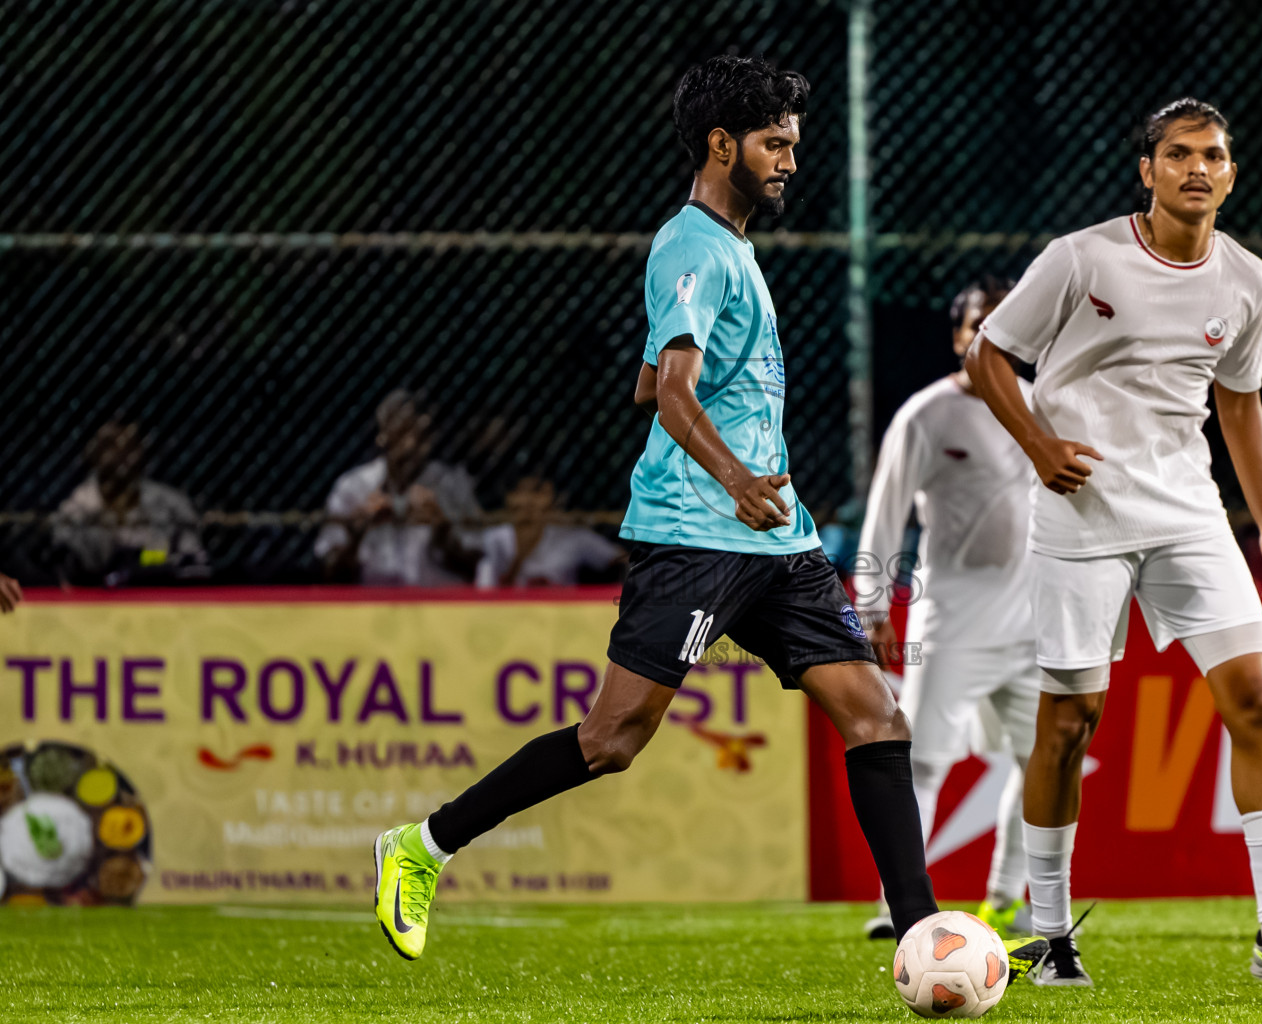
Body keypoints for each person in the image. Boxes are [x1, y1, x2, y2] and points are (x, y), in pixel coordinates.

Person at [370, 57, 1048, 980]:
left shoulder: (730, 250)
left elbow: (655, 379)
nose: (789, 163)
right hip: (696, 532)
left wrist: (721, 447)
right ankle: (423, 845)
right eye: (775, 144)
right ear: (722, 144)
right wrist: (730, 472)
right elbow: (675, 393)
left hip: (777, 537)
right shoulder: (689, 244)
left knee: (877, 714)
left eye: (794, 145)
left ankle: (925, 935)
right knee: (613, 738)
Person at [966, 98, 1262, 985]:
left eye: (1212, 156)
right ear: (1148, 170)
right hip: (1081, 513)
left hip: (1188, 512)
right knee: (1069, 723)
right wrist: (1040, 446)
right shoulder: (1081, 257)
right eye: (1177, 155)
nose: (1196, 169)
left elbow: (1240, 401)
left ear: (1231, 173)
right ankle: (1052, 933)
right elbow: (991, 355)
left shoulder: (1246, 278)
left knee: (1254, 698)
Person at [855, 277, 1045, 944]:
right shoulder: (927, 415)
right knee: (925, 759)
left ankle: (1007, 900)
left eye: (1001, 325)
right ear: (958, 335)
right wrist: (872, 605)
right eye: (976, 324)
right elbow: (885, 514)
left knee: (1043, 761)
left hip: (1034, 620)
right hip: (952, 617)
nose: (986, 336)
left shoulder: (1041, 406)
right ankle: (896, 904)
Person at [316, 390, 483, 585]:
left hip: (439, 605)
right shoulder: (355, 485)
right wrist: (356, 533)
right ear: (382, 434)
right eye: (402, 431)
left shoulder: (452, 484)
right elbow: (328, 573)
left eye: (421, 433)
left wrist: (442, 531)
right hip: (374, 605)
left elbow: (477, 569)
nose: (411, 444)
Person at [53, 420, 207, 585]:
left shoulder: (171, 504)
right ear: (94, 452)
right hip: (94, 599)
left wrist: (142, 560)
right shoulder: (76, 508)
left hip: (160, 595)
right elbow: (66, 566)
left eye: (128, 446)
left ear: (140, 450)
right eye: (110, 446)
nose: (120, 453)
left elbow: (194, 559)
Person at [475, 475, 627, 587]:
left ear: (554, 500)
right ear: (510, 499)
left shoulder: (574, 536)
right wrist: (520, 555)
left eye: (537, 493)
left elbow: (623, 560)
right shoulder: (494, 538)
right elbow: (486, 597)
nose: (528, 501)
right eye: (521, 492)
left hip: (562, 621)